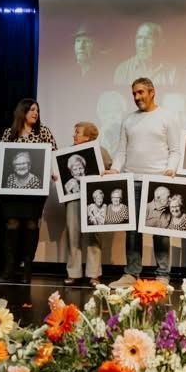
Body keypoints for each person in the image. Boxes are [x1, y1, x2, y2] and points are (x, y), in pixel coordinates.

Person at [107, 77, 180, 287]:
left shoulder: (167, 117)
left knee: (160, 229)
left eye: (140, 92)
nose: (137, 97)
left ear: (152, 92)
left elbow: (175, 150)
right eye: (134, 93)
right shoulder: (129, 120)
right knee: (132, 231)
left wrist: (171, 169)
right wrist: (115, 169)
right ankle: (131, 274)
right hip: (132, 180)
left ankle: (163, 275)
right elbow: (122, 151)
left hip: (158, 181)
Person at [0, 99, 57, 283]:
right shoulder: (9, 133)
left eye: (37, 110)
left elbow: (54, 155)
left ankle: (27, 266)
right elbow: (2, 159)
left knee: (31, 224)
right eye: (31, 109)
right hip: (12, 189)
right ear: (22, 112)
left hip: (35, 188)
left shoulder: (43, 132)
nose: (35, 113)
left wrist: (53, 172)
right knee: (12, 224)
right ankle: (10, 266)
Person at [65, 121, 112, 286]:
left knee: (94, 237)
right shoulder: (69, 152)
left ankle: (94, 275)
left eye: (77, 132)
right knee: (73, 236)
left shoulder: (101, 151)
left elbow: (111, 169)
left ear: (87, 137)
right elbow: (62, 175)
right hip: (73, 200)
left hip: (93, 200)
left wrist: (107, 174)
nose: (74, 135)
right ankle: (74, 273)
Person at [113, 23, 177, 88]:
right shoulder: (123, 70)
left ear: (160, 43)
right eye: (139, 38)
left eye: (148, 38)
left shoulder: (172, 72)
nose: (142, 43)